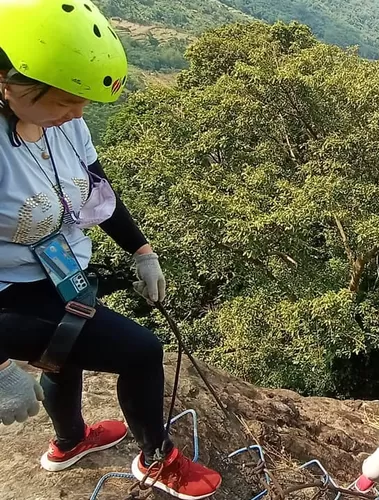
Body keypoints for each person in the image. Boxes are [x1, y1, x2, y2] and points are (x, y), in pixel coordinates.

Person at [0, 1, 221, 498]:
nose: (79, 113)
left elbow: (98, 191)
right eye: (64, 101)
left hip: (62, 272)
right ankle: (155, 459)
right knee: (143, 353)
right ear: (7, 82)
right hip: (13, 297)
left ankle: (70, 442)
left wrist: (141, 249)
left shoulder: (64, 125)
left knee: (68, 357)